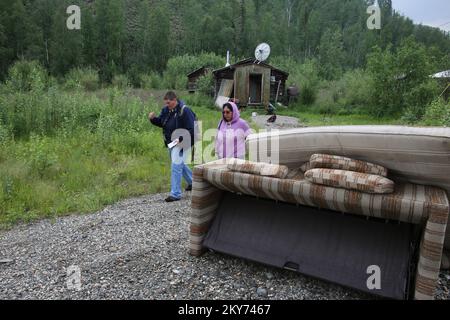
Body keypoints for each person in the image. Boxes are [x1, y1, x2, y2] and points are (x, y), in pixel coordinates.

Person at [149, 91, 195, 203]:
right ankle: (194, 183)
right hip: (171, 142)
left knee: (175, 166)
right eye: (166, 103)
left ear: (175, 100)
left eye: (169, 102)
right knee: (180, 164)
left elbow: (191, 129)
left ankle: (175, 194)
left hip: (184, 141)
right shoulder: (166, 110)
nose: (167, 105)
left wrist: (180, 139)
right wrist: (153, 119)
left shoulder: (185, 110)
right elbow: (162, 122)